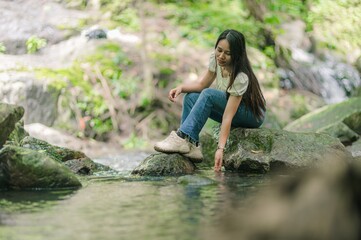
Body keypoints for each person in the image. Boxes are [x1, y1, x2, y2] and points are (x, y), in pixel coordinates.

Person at [154, 29, 266, 172]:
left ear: (237, 55)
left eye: (228, 53)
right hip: (233, 107)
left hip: (251, 114)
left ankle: (182, 136)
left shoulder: (241, 77)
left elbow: (228, 116)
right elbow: (201, 85)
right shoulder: (216, 60)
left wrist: (220, 149)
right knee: (191, 97)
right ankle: (190, 143)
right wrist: (181, 88)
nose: (221, 56)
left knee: (208, 95)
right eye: (219, 50)